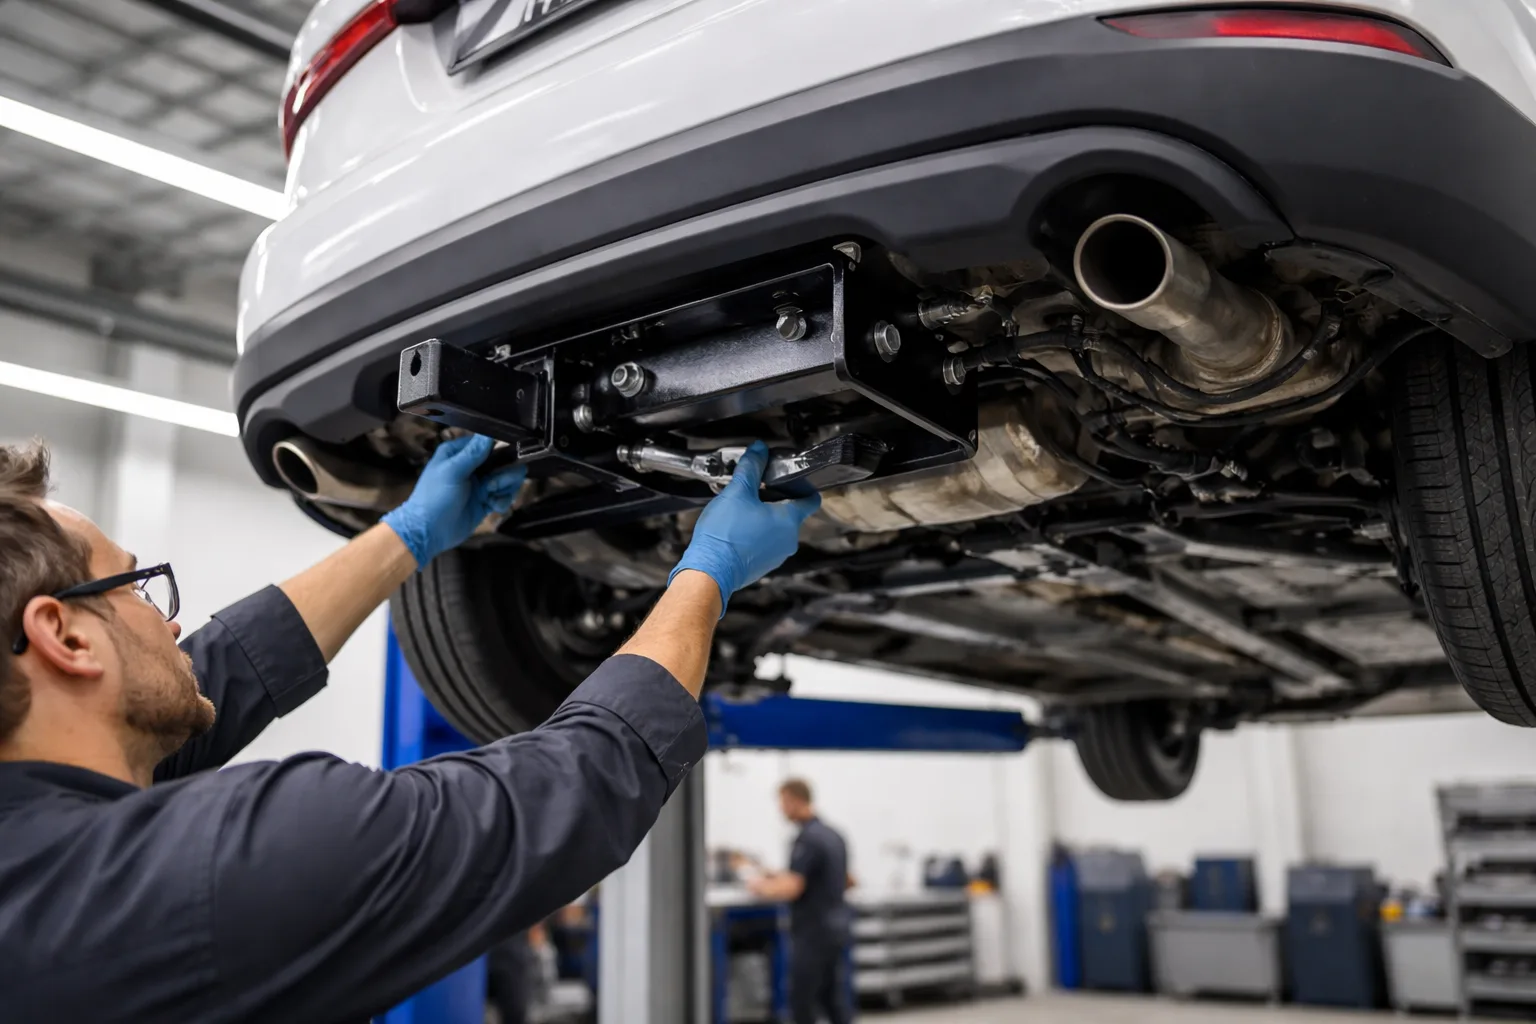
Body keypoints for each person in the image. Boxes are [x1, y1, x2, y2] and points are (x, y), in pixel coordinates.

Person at [0, 435, 819, 1023]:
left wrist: (409, 531)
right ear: (64, 638)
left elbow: (220, 673)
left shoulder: (44, 855)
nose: (170, 623)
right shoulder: (196, 883)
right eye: (143, 591)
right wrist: (705, 577)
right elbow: (575, 782)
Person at [748, 778, 854, 1024]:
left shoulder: (807, 839)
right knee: (833, 1000)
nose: (781, 809)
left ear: (795, 801)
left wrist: (760, 887)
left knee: (801, 1001)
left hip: (813, 933)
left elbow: (793, 888)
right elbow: (849, 880)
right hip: (837, 928)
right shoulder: (834, 835)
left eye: (783, 802)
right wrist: (777, 875)